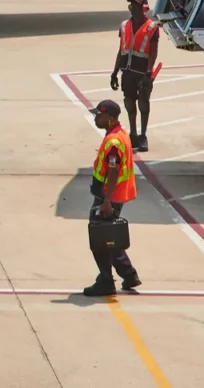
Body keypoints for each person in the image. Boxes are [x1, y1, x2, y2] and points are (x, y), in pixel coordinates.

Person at [84, 99, 142, 297]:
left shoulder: (114, 142)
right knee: (109, 236)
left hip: (109, 197)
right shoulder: (118, 133)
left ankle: (106, 281)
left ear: (109, 118)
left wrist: (107, 201)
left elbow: (114, 170)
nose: (95, 118)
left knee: (100, 238)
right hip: (112, 195)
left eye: (98, 115)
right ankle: (129, 274)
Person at [110, 0, 159, 152]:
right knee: (129, 102)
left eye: (135, 5)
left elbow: (153, 53)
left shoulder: (152, 28)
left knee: (143, 103)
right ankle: (133, 135)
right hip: (128, 72)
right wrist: (115, 71)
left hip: (142, 72)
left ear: (143, 8)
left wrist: (148, 74)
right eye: (130, 5)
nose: (132, 7)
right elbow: (121, 49)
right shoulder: (124, 25)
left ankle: (143, 135)